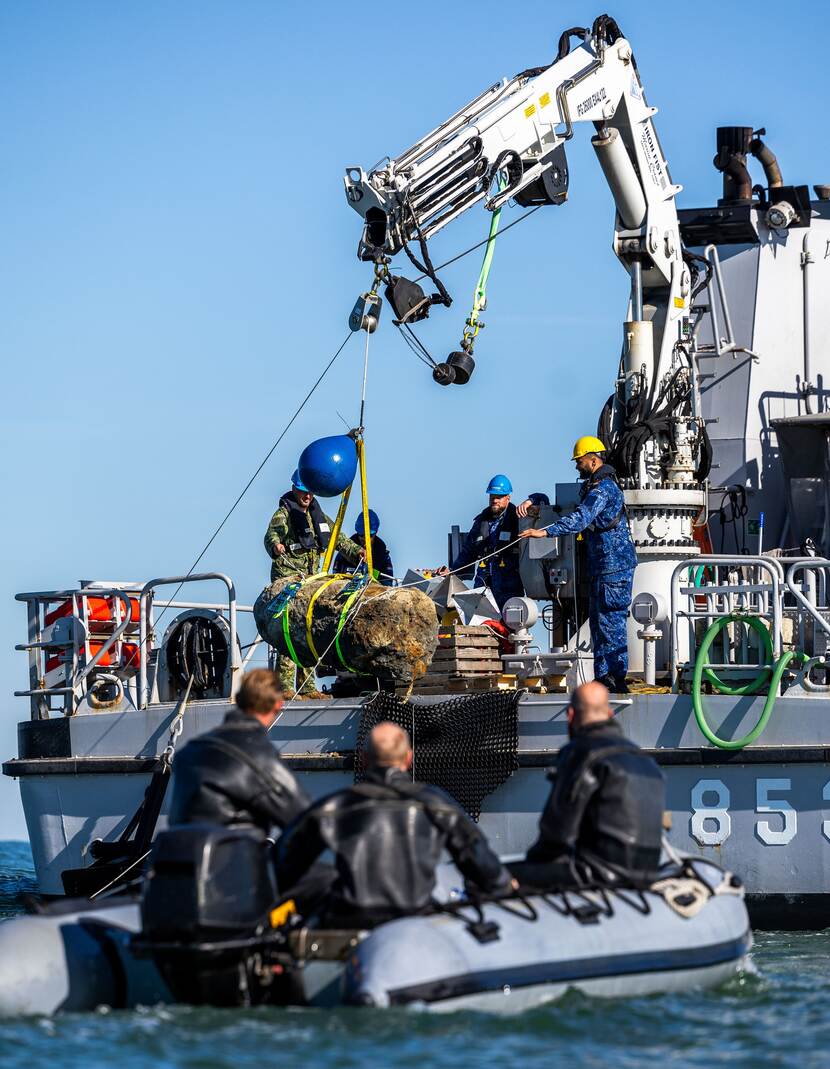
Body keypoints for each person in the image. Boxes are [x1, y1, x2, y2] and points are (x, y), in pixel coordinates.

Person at [275, 721, 515, 927]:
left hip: (349, 916)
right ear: (409, 758)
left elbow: (285, 859)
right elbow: (475, 852)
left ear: (362, 759)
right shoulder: (435, 803)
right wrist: (502, 883)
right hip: (414, 915)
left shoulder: (333, 807)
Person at [510, 680, 665, 890]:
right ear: (610, 714)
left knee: (500, 875)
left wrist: (534, 864)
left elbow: (558, 832)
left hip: (599, 874)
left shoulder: (580, 753)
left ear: (571, 716)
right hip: (648, 873)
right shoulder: (644, 759)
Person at [518, 437, 637, 692]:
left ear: (593, 459)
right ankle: (604, 677)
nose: (576, 467)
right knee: (598, 622)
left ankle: (617, 678)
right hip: (601, 567)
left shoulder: (604, 489)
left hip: (615, 566)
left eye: (579, 461)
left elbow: (581, 518)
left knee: (611, 622)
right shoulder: (593, 487)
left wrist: (544, 533)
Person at [169, 668, 310, 835]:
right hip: (231, 858)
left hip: (178, 854)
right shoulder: (260, 756)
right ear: (279, 705)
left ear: (238, 700)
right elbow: (303, 818)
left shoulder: (189, 751)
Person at [264, 469, 364, 692]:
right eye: (302, 492)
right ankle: (285, 687)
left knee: (306, 632)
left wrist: (357, 551)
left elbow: (338, 539)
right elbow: (271, 536)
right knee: (288, 632)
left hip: (310, 582)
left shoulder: (318, 516)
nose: (307, 496)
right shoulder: (284, 514)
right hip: (288, 579)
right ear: (294, 490)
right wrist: (276, 546)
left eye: (309, 492)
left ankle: (307, 687)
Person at [437, 474, 524, 610]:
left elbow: (542, 500)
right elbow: (468, 552)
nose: (495, 500)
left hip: (508, 587)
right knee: (479, 624)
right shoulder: (481, 521)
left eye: (499, 497)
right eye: (492, 496)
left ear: (508, 497)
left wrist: (531, 501)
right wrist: (452, 572)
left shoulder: (517, 519)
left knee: (512, 626)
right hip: (483, 586)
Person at [332, 508, 395, 586]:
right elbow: (335, 581)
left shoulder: (383, 557)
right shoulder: (344, 553)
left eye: (369, 535)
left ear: (376, 532)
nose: (365, 539)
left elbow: (387, 585)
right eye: (362, 535)